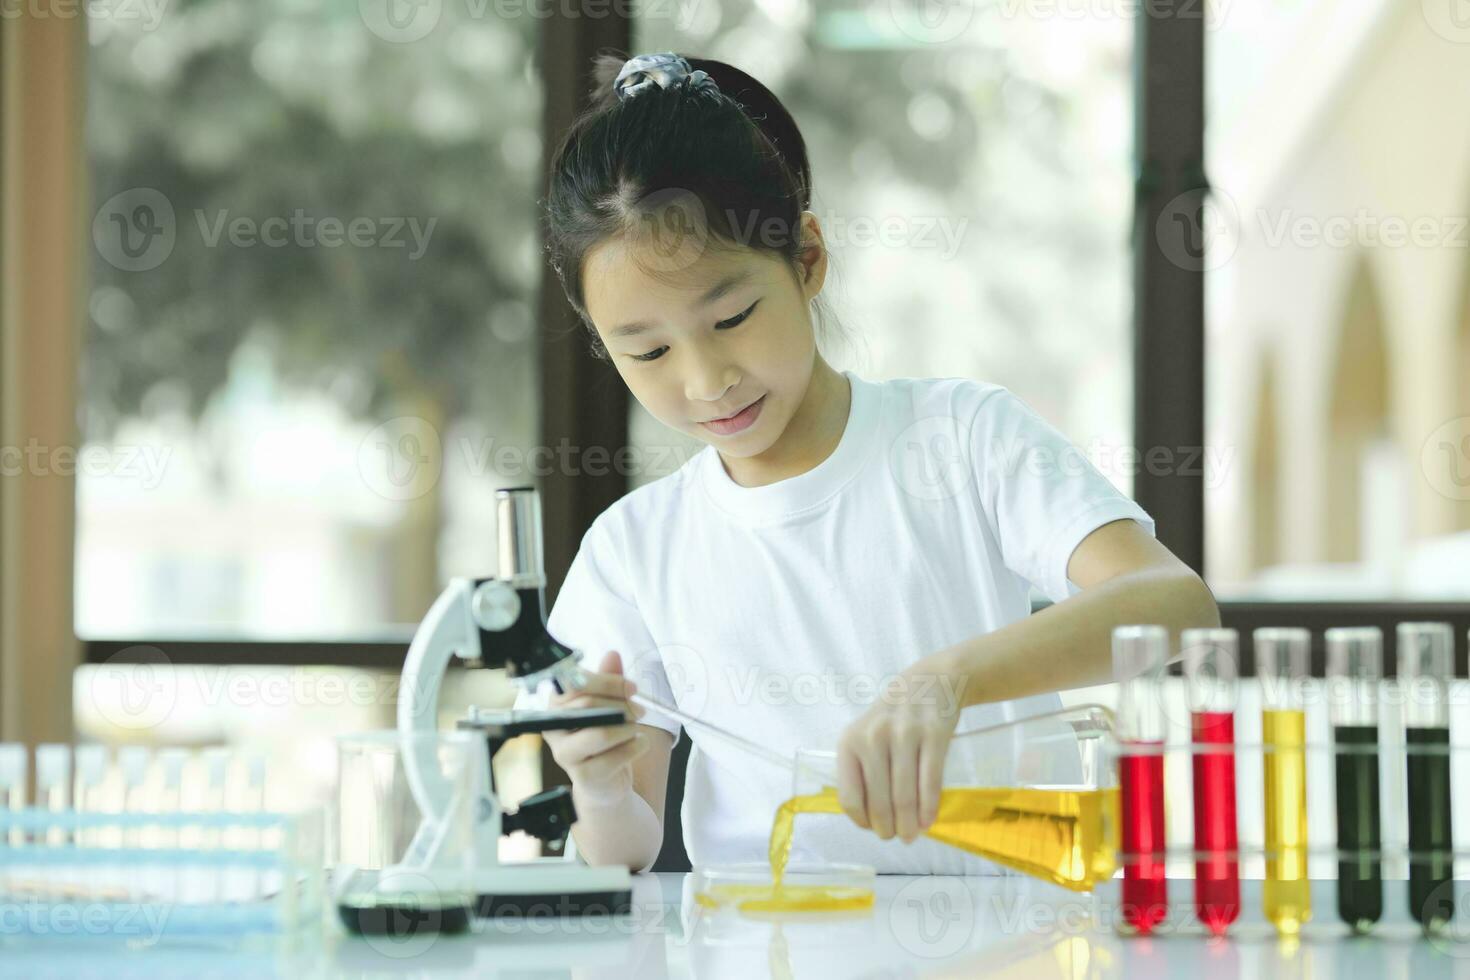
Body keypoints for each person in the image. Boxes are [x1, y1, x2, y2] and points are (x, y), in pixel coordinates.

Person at [515, 52, 1219, 875]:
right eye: (649, 351)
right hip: (768, 949)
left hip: (1007, 948)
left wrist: (945, 681)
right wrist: (597, 790)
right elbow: (624, 853)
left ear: (807, 258)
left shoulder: (959, 439)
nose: (706, 380)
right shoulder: (635, 549)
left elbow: (1175, 604)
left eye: (734, 315)